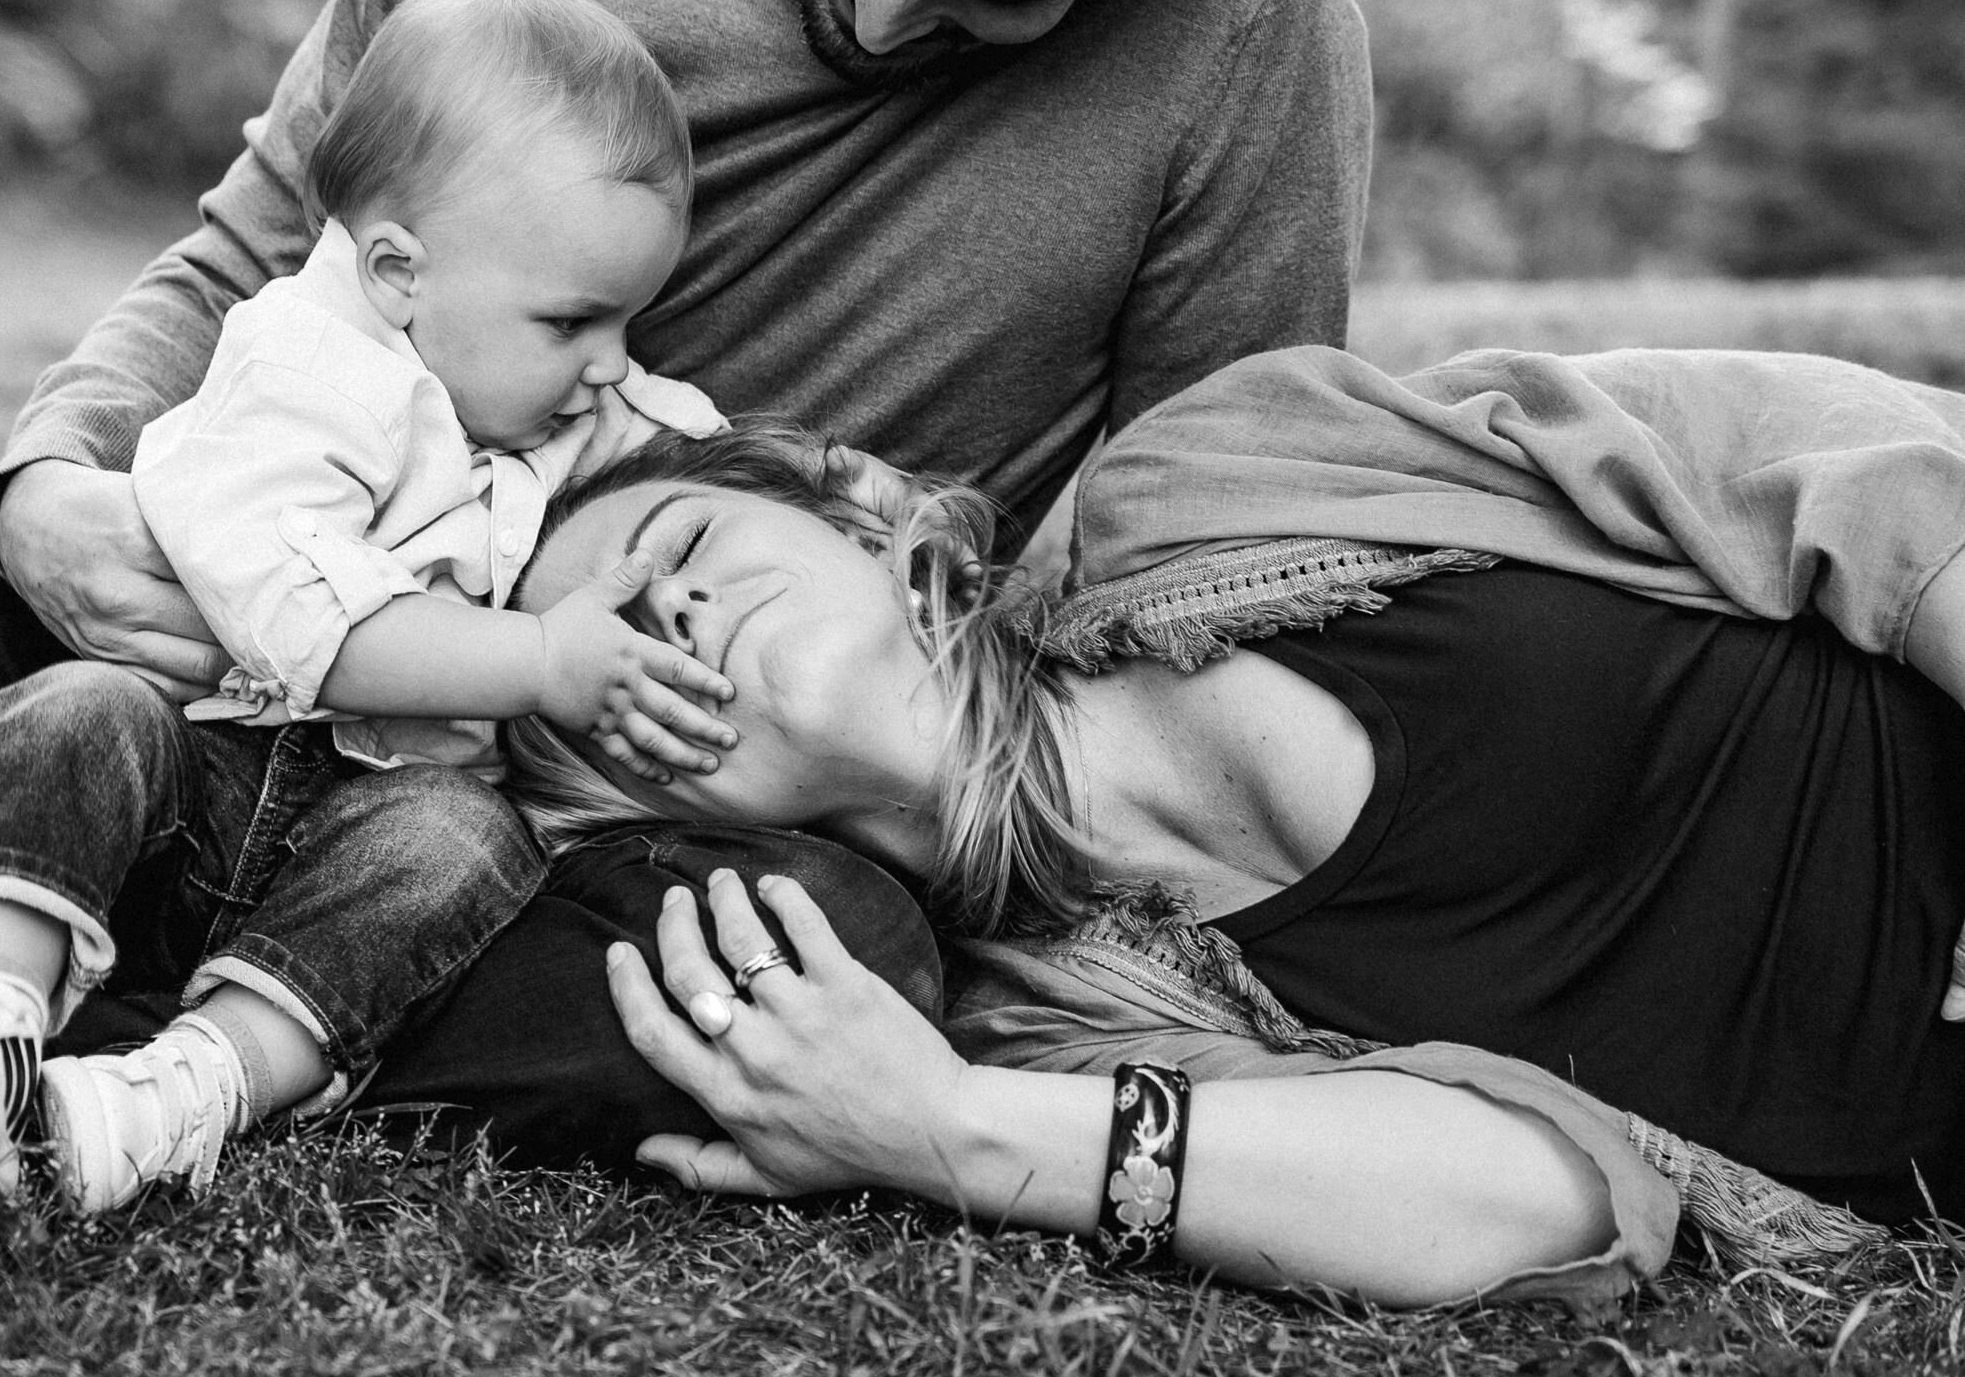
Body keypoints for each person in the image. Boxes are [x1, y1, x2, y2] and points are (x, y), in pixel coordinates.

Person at [0, 0, 1368, 1094]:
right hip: (266, 592)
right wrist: (51, 489)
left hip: (623, 783)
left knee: (828, 973)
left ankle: (34, 1011)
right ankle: (12, 965)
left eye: (991, 2)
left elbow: (1203, 521)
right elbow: (248, 256)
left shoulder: (1251, 16)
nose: (890, 15)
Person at [494, 345, 1965, 1310]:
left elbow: (1830, 466)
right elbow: (1539, 1204)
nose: (660, 622)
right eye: (595, 672)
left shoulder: (1205, 478)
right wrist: (948, 1129)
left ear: (854, 509)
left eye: (675, 548)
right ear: (649, 818)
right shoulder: (1044, 1029)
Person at [0, 0, 750, 1211]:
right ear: (400, 270)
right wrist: (538, 662)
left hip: (365, 831)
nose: (611, 363)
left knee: (463, 839)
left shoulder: (558, 404)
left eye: (632, 319)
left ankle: (182, 1093)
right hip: (194, 790)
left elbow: (693, 446)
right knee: (75, 715)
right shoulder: (298, 369)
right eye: (575, 321)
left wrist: (817, 491)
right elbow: (319, 629)